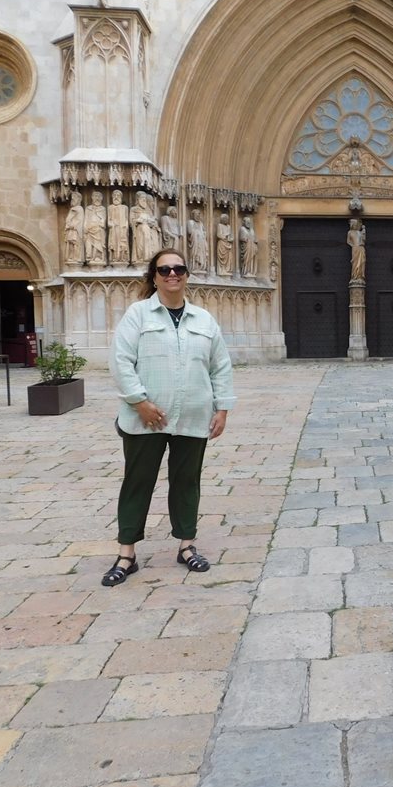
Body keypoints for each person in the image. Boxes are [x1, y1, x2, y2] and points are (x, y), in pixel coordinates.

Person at [103, 249, 235, 586]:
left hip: (193, 416)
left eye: (179, 268)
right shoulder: (138, 315)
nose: (172, 274)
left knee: (187, 482)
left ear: (187, 275)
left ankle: (186, 546)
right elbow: (121, 361)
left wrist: (222, 408)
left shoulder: (204, 320)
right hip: (145, 419)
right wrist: (139, 402)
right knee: (137, 482)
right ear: (154, 276)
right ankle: (126, 553)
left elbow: (220, 366)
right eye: (164, 269)